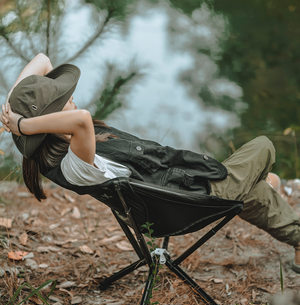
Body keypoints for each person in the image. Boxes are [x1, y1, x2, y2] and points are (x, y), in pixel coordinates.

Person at [1, 53, 300, 271]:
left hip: (177, 188)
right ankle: (261, 183)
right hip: (187, 202)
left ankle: (293, 234)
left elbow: (42, 59)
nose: (73, 99)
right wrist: (24, 126)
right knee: (264, 146)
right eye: (65, 100)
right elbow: (82, 119)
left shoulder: (64, 147)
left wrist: (10, 109)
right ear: (49, 122)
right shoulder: (73, 162)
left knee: (253, 193)